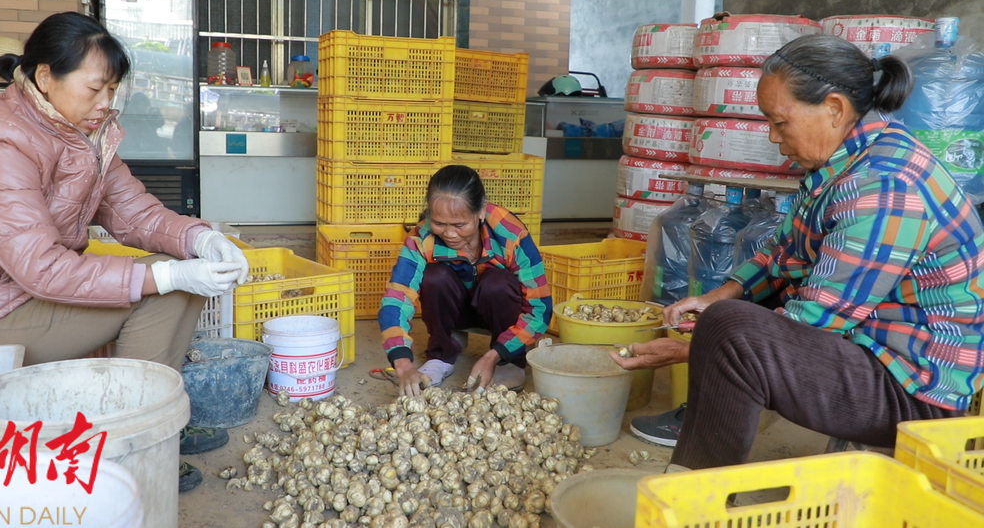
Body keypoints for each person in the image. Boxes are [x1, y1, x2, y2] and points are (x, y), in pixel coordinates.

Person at [0, 12, 250, 491]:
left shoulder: (81, 134)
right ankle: (132, 443)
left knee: (180, 270)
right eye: (94, 89)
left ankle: (151, 422)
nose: (105, 103)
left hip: (30, 295)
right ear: (46, 76)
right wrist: (168, 276)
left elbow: (135, 213)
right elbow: (41, 268)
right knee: (167, 285)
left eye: (112, 89)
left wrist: (202, 239)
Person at [613, 34, 983, 470]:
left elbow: (816, 322)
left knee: (732, 332)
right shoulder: (846, 160)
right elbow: (783, 254)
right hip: (875, 347)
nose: (774, 137)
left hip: (915, 391)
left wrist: (696, 349)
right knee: (730, 314)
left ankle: (695, 488)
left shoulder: (884, 187)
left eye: (780, 122)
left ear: (834, 108)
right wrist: (715, 297)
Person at [379, 165, 552, 396]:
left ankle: (510, 361)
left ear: (481, 211)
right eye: (439, 223)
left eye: (460, 225)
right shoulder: (421, 238)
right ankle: (442, 353)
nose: (450, 234)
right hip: (457, 309)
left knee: (497, 283)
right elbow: (397, 299)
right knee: (434, 276)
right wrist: (402, 363)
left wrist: (495, 356)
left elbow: (540, 309)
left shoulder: (510, 233)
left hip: (500, 310)